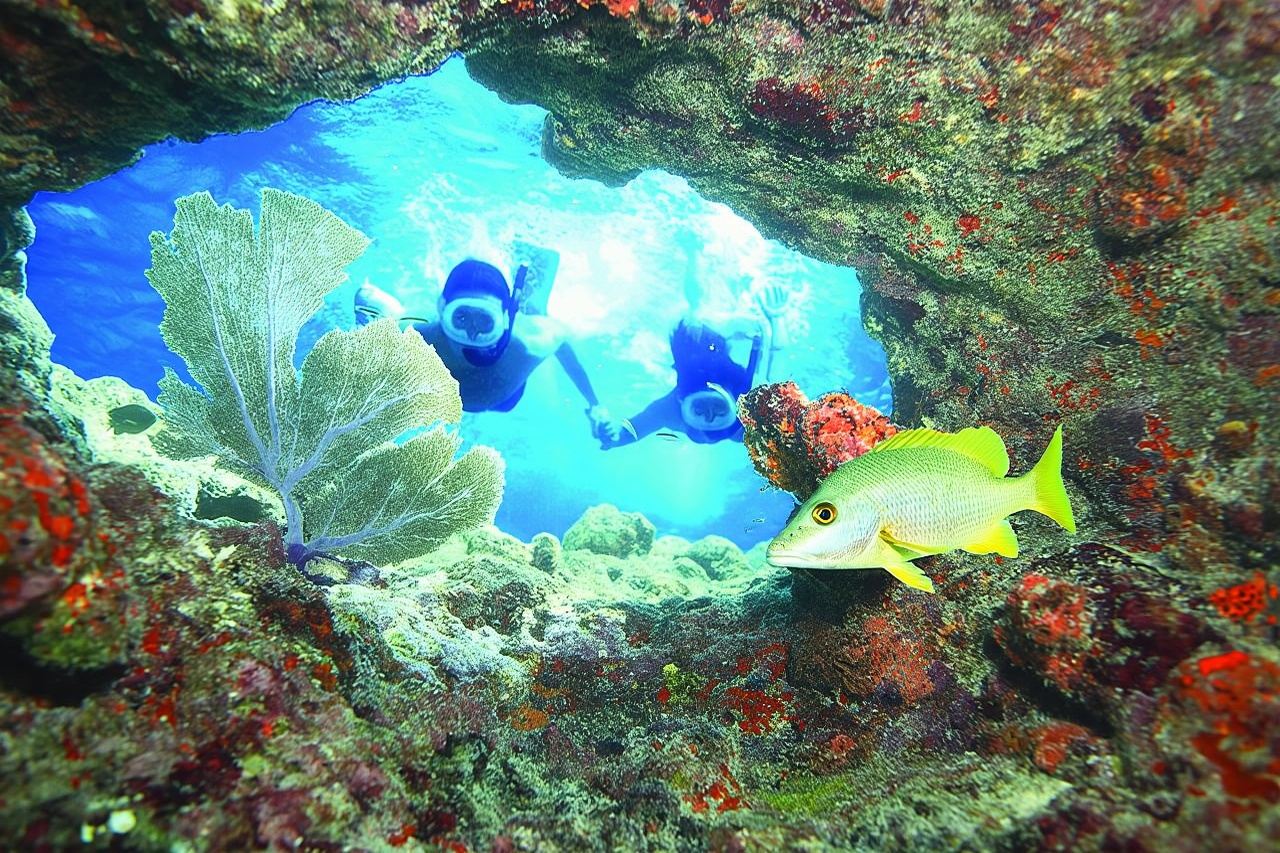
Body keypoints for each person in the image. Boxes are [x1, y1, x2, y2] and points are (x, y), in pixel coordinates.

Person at [355, 258, 614, 438]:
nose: (471, 333)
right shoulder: (415, 334)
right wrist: (365, 303)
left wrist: (595, 405)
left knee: (536, 312)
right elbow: (374, 307)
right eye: (461, 318)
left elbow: (563, 341)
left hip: (504, 398)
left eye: (485, 321)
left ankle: (527, 302)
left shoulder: (528, 344)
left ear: (503, 320)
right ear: (442, 309)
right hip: (492, 390)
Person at [598, 286, 787, 449]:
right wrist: (776, 321)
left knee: (700, 332)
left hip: (703, 359)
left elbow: (634, 429)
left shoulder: (670, 411)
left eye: (701, 409)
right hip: (717, 362)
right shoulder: (746, 408)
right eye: (717, 408)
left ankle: (703, 317)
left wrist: (613, 439)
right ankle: (712, 326)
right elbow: (775, 368)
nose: (710, 419)